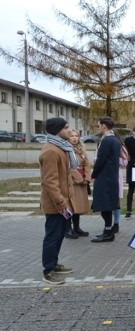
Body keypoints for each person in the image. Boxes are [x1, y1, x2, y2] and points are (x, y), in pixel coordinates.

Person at [39, 117, 76, 285]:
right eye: (66, 127)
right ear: (57, 130)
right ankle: (48, 270)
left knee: (60, 235)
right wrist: (61, 203)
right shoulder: (51, 151)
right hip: (56, 204)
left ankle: (54, 264)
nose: (69, 130)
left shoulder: (61, 148)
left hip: (63, 203)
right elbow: (50, 181)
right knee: (52, 236)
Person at [91, 116, 121, 243]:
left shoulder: (107, 140)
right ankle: (107, 231)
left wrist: (93, 174)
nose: (98, 128)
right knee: (107, 205)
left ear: (104, 126)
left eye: (98, 125)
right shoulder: (115, 139)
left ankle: (108, 233)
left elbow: (100, 160)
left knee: (105, 205)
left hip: (105, 176)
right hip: (111, 176)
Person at [66, 129, 91, 239]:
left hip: (82, 181)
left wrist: (87, 177)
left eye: (76, 136)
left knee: (79, 205)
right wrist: (80, 179)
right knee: (71, 205)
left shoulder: (81, 149)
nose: (75, 138)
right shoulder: (66, 150)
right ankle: (68, 229)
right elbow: (69, 167)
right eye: (72, 136)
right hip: (72, 181)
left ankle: (77, 227)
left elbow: (87, 164)